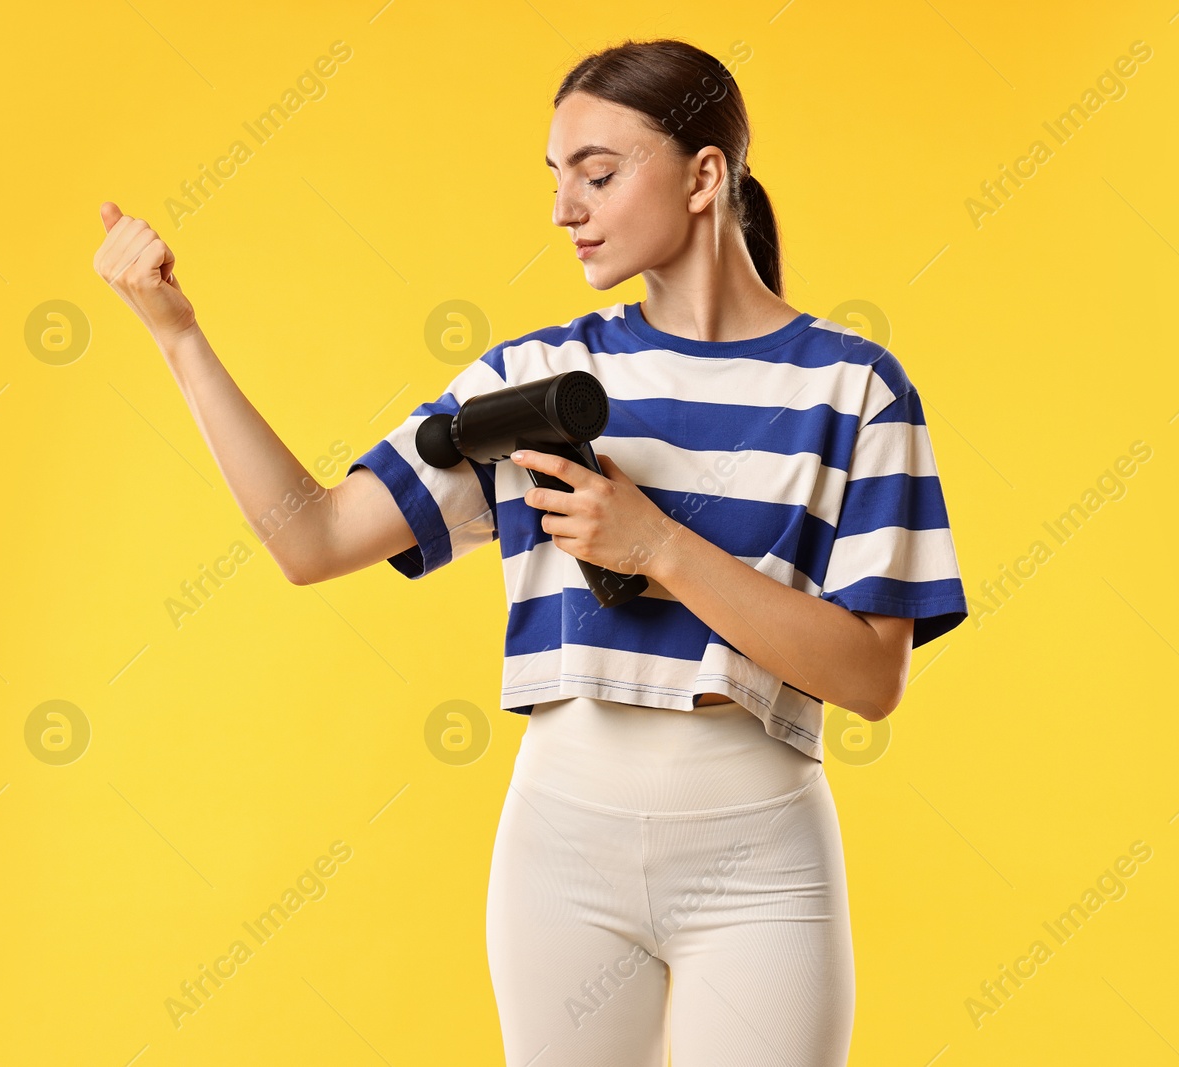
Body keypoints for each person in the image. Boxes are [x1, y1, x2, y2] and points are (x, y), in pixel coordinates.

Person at [93, 36, 967, 1067]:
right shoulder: (536, 377)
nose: (564, 208)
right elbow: (312, 535)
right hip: (562, 852)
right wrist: (177, 337)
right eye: (557, 179)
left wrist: (656, 544)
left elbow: (870, 677)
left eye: (596, 173)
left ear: (704, 176)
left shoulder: (853, 387)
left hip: (760, 854)